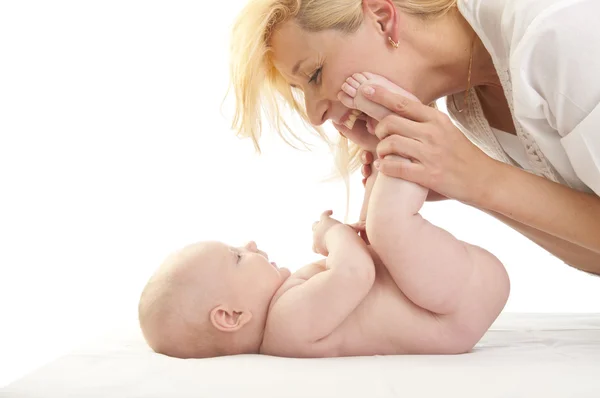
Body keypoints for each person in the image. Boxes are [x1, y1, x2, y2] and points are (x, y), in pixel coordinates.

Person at [228, 0, 600, 275]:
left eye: (313, 75)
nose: (314, 115)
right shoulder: (467, 102)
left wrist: (480, 176)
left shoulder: (557, 36)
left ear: (381, 17)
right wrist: (458, 182)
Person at [138, 139, 509, 358]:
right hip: (451, 309)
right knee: (388, 226)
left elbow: (365, 266)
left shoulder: (289, 312)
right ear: (231, 316)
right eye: (237, 257)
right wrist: (330, 233)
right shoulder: (286, 325)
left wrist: (364, 211)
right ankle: (404, 140)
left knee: (380, 229)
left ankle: (390, 160)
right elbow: (356, 272)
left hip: (446, 295)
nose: (250, 245)